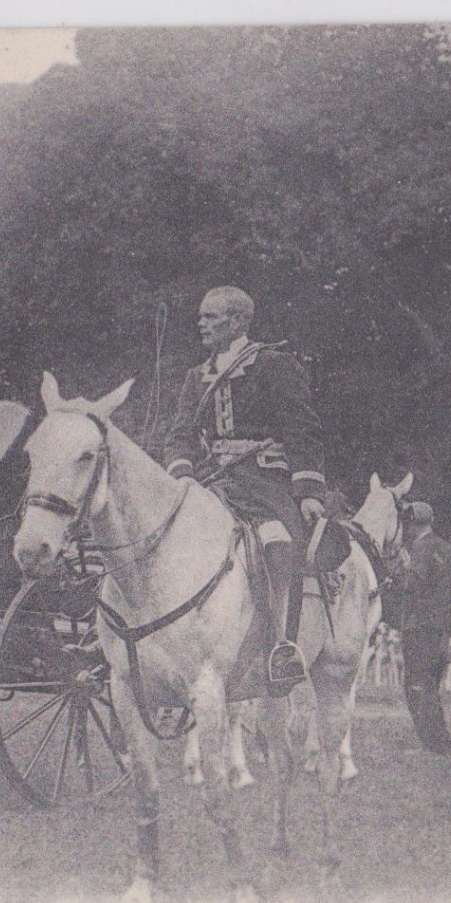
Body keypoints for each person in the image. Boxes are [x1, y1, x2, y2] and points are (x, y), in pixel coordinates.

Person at [162, 285, 327, 693]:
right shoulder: (195, 377)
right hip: (208, 481)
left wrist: (307, 489)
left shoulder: (273, 366)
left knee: (275, 541)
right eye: (201, 316)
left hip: (262, 482)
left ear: (237, 321)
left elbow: (301, 429)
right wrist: (181, 474)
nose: (201, 323)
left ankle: (280, 646)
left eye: (211, 316)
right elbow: (179, 434)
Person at [394, 500, 451, 755]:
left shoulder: (420, 549)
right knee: (430, 686)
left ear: (410, 524)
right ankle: (440, 742)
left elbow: (411, 584)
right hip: (440, 627)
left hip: (418, 626)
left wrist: (398, 569)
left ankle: (433, 745)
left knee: (416, 686)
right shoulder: (446, 548)